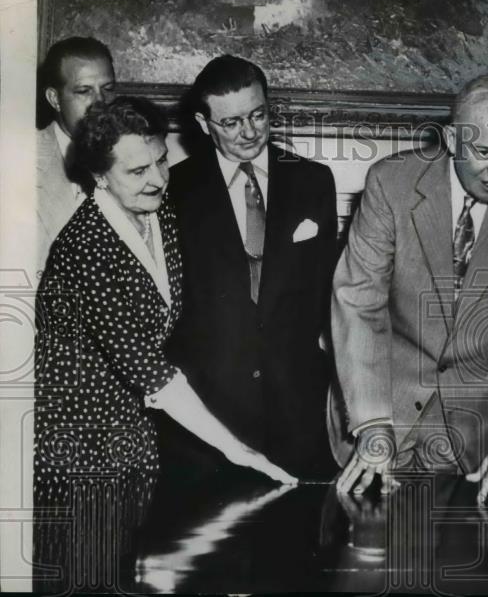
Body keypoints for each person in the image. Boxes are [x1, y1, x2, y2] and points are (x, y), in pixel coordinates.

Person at [32, 98, 294, 592]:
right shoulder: (85, 249)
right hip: (75, 450)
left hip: (134, 440)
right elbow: (153, 373)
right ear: (100, 176)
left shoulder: (158, 212)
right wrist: (238, 450)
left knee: (134, 578)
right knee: (83, 579)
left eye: (161, 161)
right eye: (137, 171)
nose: (156, 179)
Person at [329, 75, 488, 502]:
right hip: (380, 413)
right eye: (484, 152)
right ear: (452, 139)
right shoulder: (391, 183)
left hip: (472, 437)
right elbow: (359, 302)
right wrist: (372, 424)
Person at [163, 55, 339, 481]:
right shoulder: (173, 189)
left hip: (298, 412)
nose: (249, 132)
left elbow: (329, 292)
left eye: (258, 115)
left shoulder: (314, 181)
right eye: (231, 122)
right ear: (203, 123)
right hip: (208, 416)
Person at [36, 37, 116, 271]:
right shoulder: (16, 160)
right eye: (84, 91)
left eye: (108, 89)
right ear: (54, 99)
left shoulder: (136, 157)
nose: (100, 102)